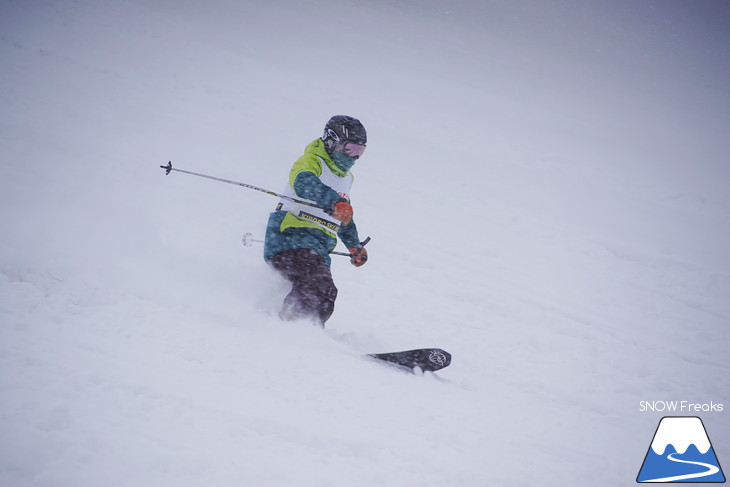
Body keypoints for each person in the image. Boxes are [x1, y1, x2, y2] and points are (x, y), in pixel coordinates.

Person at [264, 115, 369, 327]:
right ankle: (288, 328)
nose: (353, 157)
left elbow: (344, 215)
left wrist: (354, 245)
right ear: (331, 141)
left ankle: (310, 333)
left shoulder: (346, 178)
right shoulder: (312, 161)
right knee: (316, 284)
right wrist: (334, 201)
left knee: (327, 293)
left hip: (318, 248)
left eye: (360, 151)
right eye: (349, 149)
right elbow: (304, 182)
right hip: (290, 237)